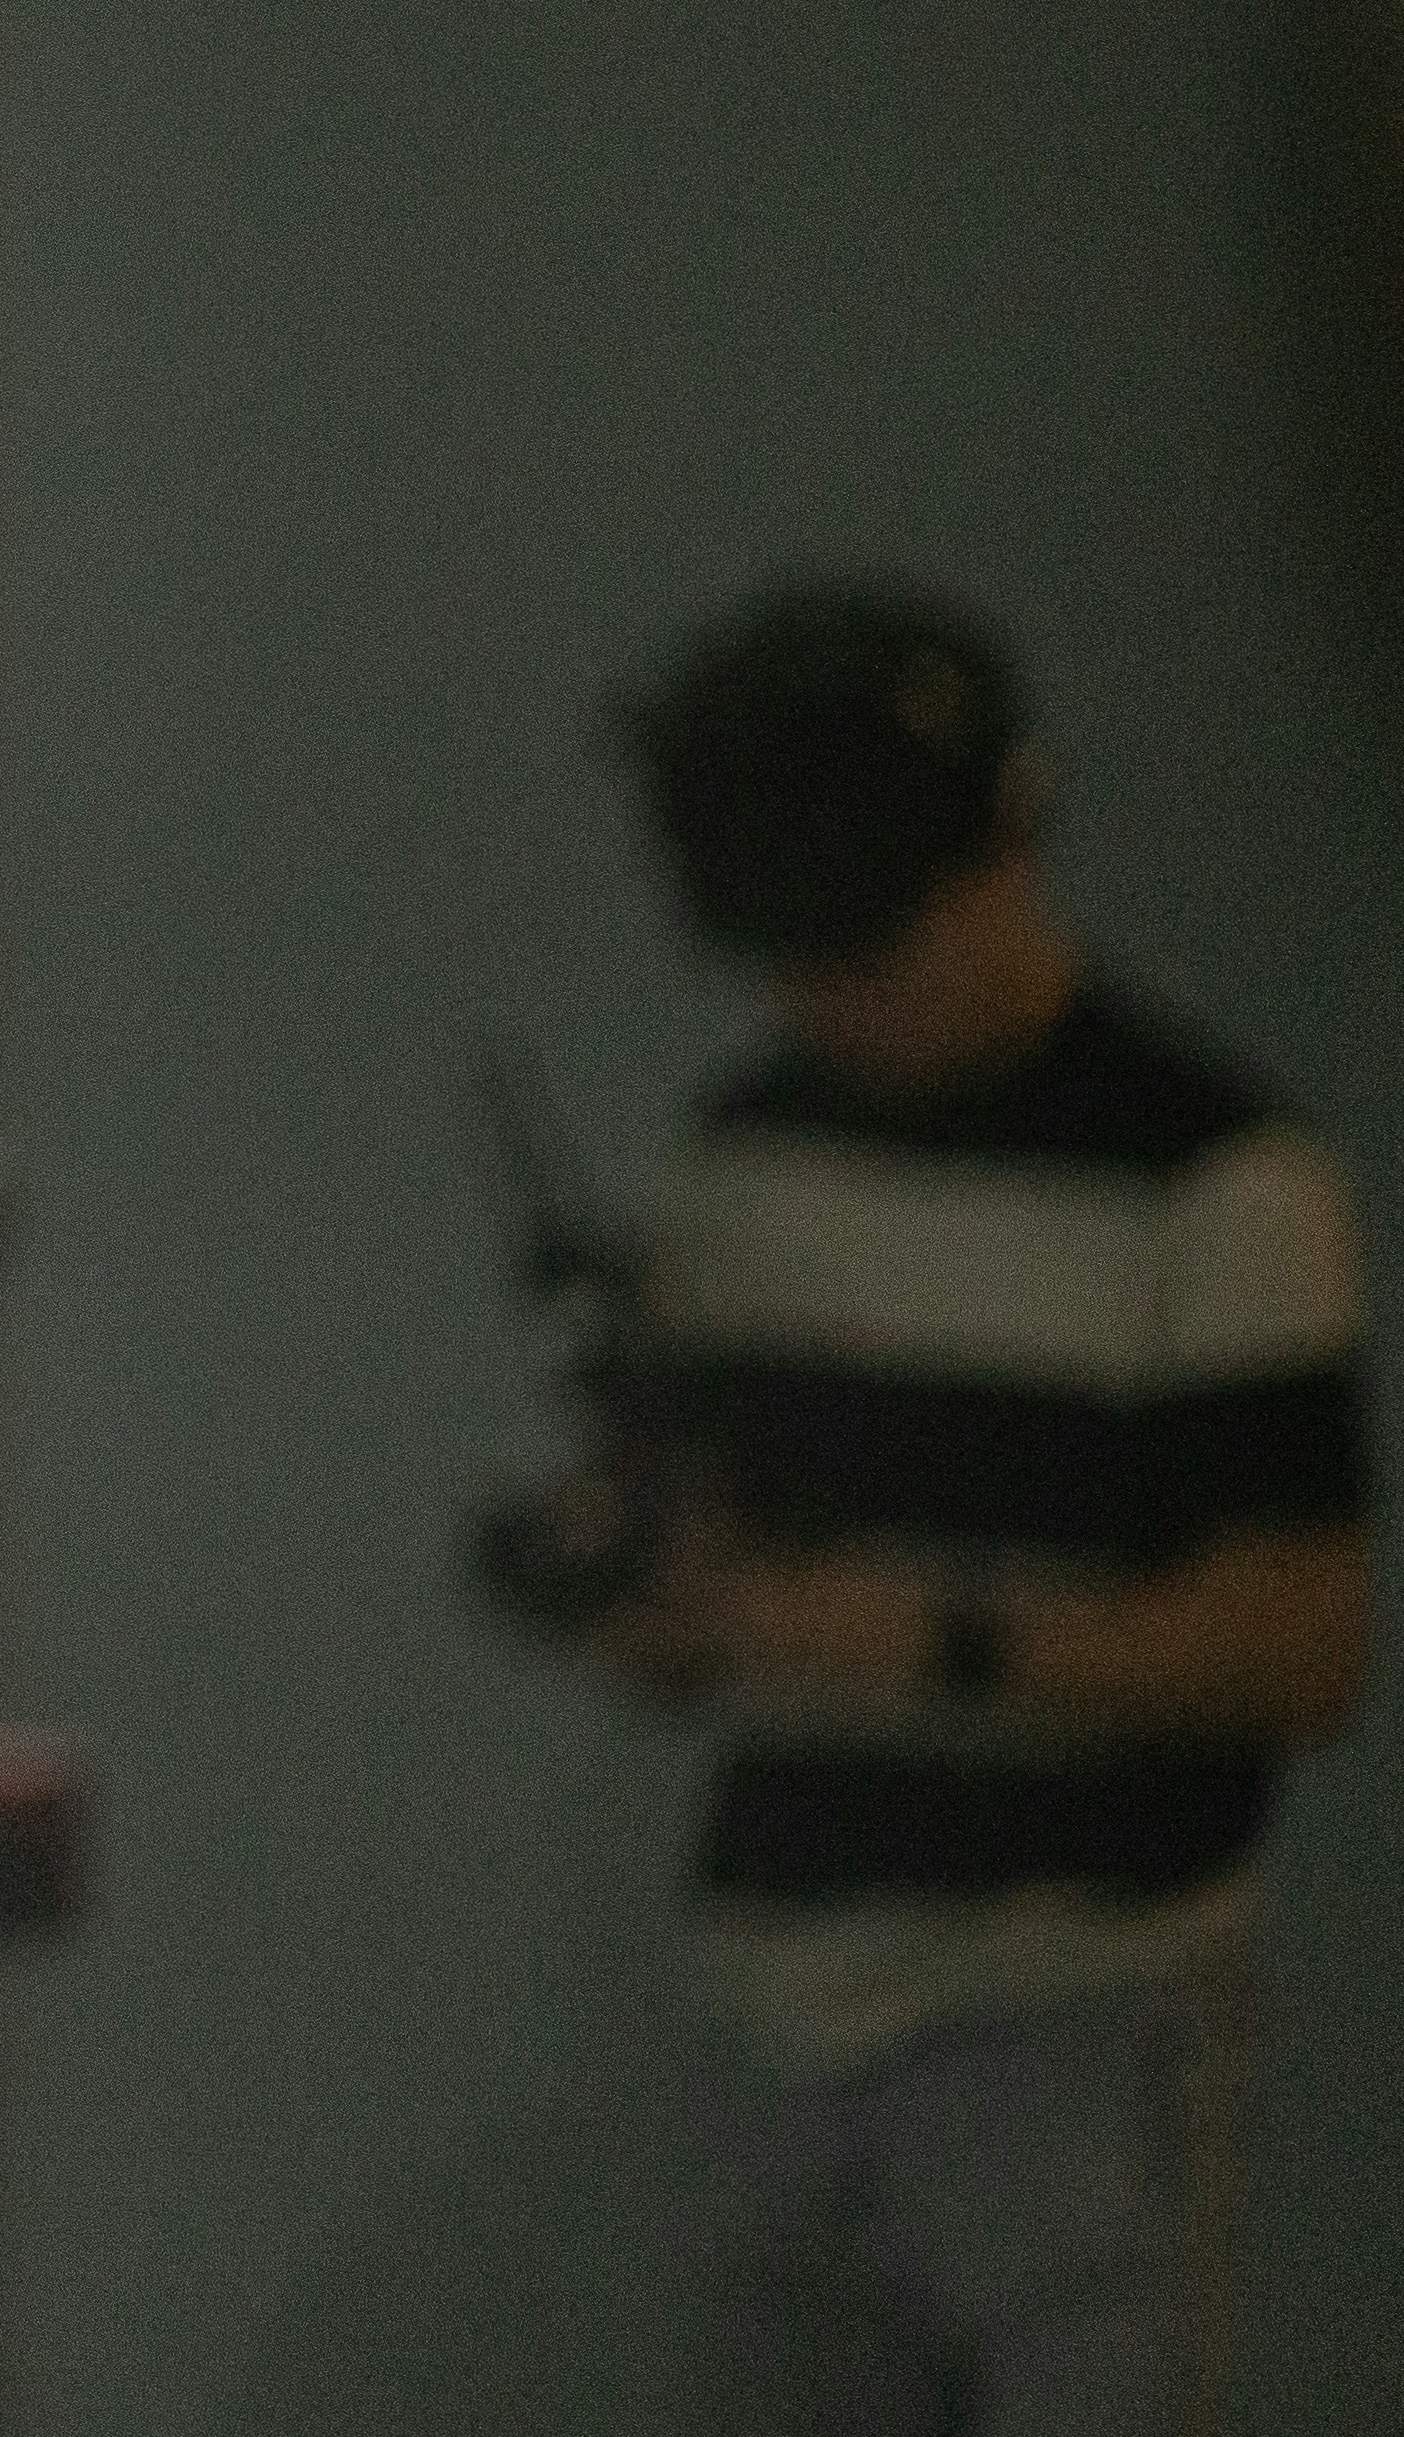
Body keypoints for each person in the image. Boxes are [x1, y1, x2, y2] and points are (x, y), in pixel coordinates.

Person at [566, 580, 1367, 2437]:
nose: (842, 1000)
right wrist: (641, 1590)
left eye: (872, 940)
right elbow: (696, 1569)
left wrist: (920, 1635)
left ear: (1002, 841)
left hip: (1072, 2000)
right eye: (796, 957)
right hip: (775, 2001)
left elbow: (1302, 1644)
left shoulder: (1210, 1182)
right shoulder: (748, 1150)